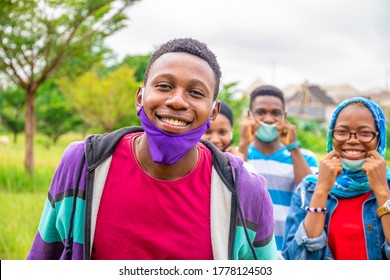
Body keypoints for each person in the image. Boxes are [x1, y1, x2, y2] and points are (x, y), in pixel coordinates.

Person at [27, 38, 277, 260]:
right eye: (164, 86)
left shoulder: (246, 192)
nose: (177, 101)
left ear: (213, 111)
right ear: (140, 97)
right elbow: (43, 259)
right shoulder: (82, 164)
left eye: (196, 92)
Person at [282, 97, 390, 260]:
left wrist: (382, 191)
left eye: (365, 133)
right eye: (342, 132)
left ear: (379, 137)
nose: (352, 140)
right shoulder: (309, 189)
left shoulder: (387, 186)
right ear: (331, 135)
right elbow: (293, 260)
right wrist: (321, 191)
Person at [238, 85, 319, 258]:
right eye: (261, 112)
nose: (268, 119)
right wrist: (243, 144)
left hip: (290, 253)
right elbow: (235, 189)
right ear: (249, 116)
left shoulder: (305, 157)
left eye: (275, 113)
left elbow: (311, 194)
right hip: (250, 256)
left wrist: (294, 148)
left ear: (285, 117)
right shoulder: (237, 156)